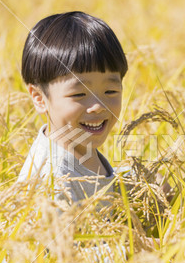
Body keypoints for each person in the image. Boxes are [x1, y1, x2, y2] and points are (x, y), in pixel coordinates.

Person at [16, 11, 129, 205]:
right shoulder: (53, 183)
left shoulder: (79, 148)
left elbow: (101, 188)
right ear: (39, 98)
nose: (98, 107)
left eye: (110, 91)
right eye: (79, 95)